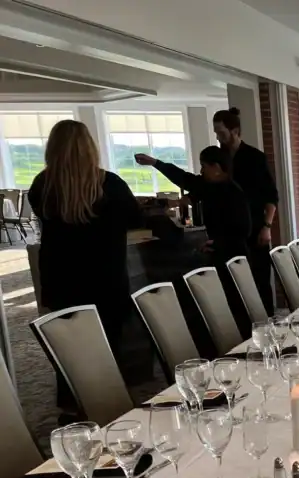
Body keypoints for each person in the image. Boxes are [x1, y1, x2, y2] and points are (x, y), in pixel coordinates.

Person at [27, 119, 142, 412]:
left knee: (69, 351)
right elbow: (135, 218)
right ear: (90, 148)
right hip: (106, 281)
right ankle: (109, 409)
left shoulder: (42, 186)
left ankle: (71, 410)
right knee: (108, 350)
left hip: (62, 280)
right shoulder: (110, 185)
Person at [135, 146, 253, 335]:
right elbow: (183, 178)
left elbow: (244, 230)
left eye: (204, 166)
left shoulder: (233, 192)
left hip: (233, 256)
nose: (201, 171)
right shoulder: (209, 186)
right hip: (219, 254)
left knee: (236, 305)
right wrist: (155, 163)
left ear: (216, 167)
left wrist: (218, 243)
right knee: (222, 308)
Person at [212, 107, 278, 315]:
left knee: (260, 280)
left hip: (255, 228)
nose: (218, 137)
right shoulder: (219, 157)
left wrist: (267, 226)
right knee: (232, 286)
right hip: (230, 233)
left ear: (235, 130)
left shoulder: (255, 157)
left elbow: (271, 195)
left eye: (221, 132)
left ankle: (268, 323)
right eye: (216, 133)